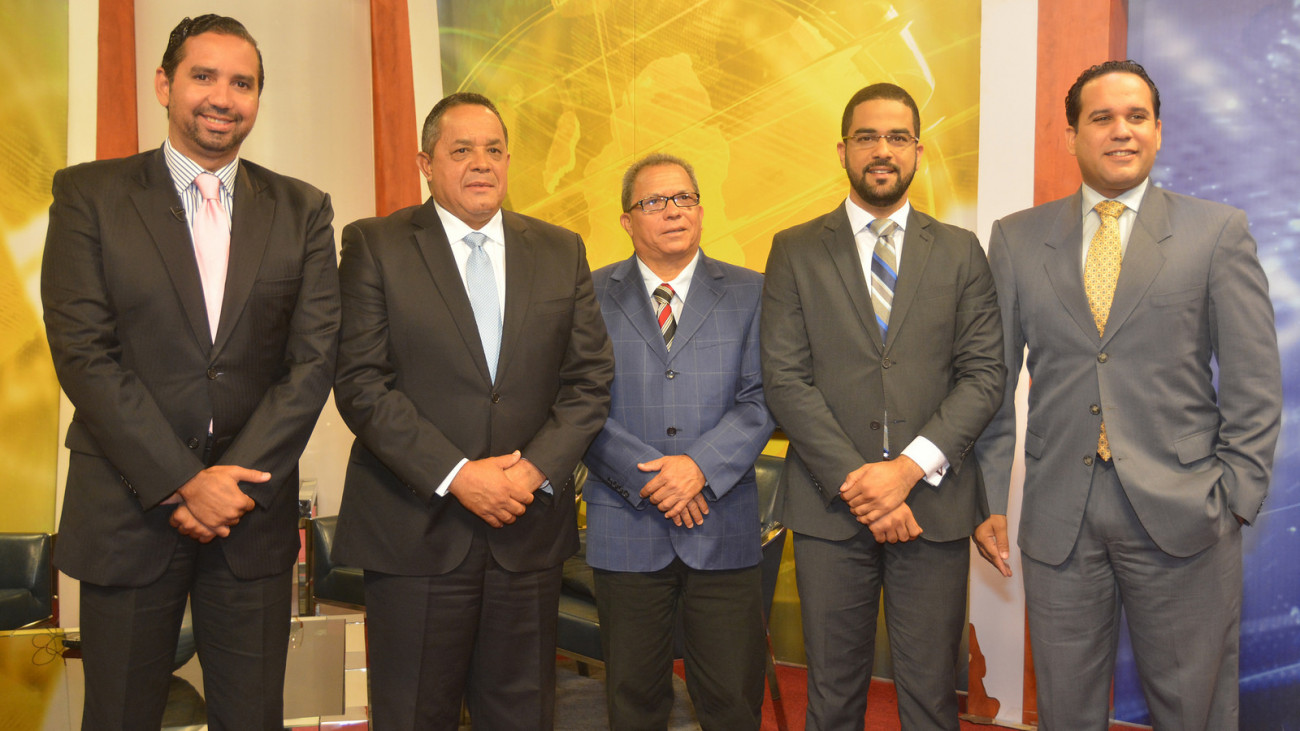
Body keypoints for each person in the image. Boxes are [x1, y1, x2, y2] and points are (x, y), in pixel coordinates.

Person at [41, 14, 339, 729]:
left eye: (243, 82)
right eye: (204, 76)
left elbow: (313, 358)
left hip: (251, 517)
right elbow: (84, 351)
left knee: (252, 716)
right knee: (117, 716)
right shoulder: (89, 195)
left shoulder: (302, 209)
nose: (223, 97)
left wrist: (228, 484)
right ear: (164, 85)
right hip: (129, 508)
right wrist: (183, 480)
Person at [973, 60, 1281, 730]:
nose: (1121, 131)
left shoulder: (1216, 232)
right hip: (1061, 519)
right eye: (1102, 117)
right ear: (1072, 134)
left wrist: (1231, 500)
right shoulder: (1018, 239)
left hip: (1187, 514)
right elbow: (991, 387)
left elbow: (1256, 386)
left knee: (1193, 709)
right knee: (1066, 710)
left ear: (1160, 131)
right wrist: (988, 497)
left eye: (1136, 117)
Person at [330, 92, 614, 730]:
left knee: (522, 716)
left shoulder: (560, 249)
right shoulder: (375, 245)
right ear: (426, 163)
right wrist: (460, 474)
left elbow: (589, 381)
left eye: (493, 150)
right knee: (413, 717)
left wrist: (529, 472)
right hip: (416, 532)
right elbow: (362, 384)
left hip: (527, 531)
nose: (480, 163)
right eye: (461, 150)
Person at [760, 83, 1004, 730]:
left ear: (918, 151)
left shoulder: (960, 251)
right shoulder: (794, 249)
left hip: (932, 510)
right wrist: (860, 480)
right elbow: (785, 379)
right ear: (842, 149)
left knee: (929, 699)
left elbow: (984, 377)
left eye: (897, 137)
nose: (882, 150)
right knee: (833, 696)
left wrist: (904, 472)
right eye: (867, 136)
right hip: (829, 507)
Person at [583, 153, 775, 729]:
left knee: (732, 702)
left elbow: (763, 398)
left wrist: (697, 468)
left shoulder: (753, 291)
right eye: (655, 202)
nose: (673, 212)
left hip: (722, 524)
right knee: (634, 701)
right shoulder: (587, 295)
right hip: (626, 522)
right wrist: (657, 475)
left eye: (684, 199)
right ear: (626, 220)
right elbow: (575, 402)